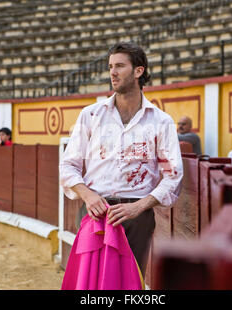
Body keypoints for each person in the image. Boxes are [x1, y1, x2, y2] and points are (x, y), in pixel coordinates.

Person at [59, 42, 183, 278]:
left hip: (136, 216)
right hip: (94, 211)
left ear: (138, 71)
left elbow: (172, 176)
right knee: (90, 281)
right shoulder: (91, 115)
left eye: (119, 66)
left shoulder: (161, 122)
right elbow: (68, 166)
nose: (112, 73)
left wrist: (138, 206)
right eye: (110, 67)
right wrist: (88, 195)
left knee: (128, 282)